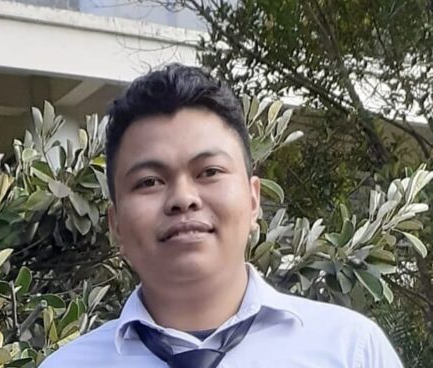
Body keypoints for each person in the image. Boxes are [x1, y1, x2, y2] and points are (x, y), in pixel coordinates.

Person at [39, 64, 403, 367]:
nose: (183, 199)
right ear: (115, 224)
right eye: (149, 181)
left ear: (253, 199)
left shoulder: (352, 351)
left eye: (209, 172)